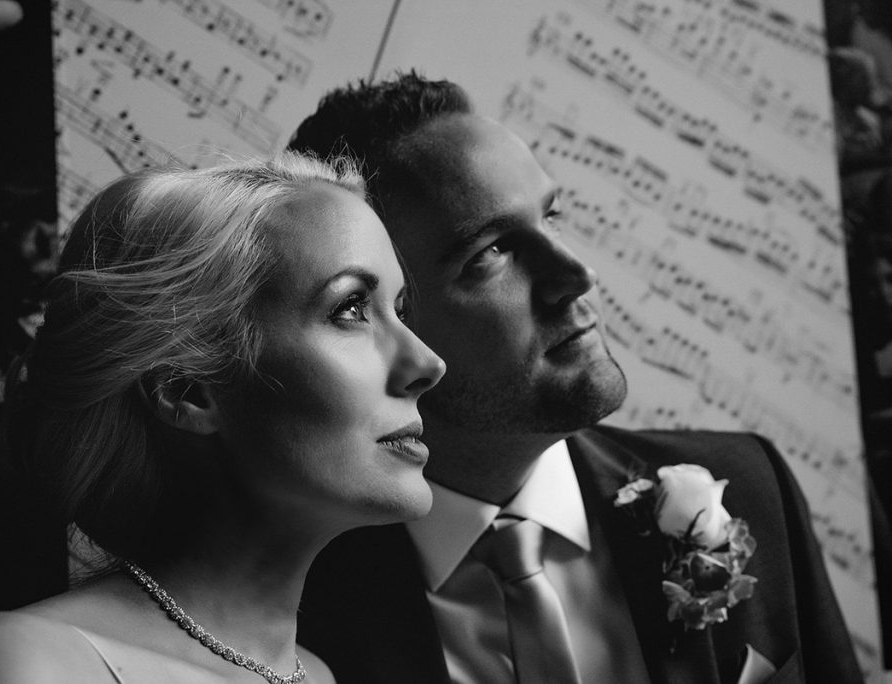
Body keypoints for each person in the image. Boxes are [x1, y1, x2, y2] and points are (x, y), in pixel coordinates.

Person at [288, 71, 866, 683]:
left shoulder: (751, 488)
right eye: (490, 253)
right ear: (383, 322)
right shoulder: (298, 612)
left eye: (552, 215)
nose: (577, 274)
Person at [0, 151, 446, 684]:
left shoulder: (324, 676)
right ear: (187, 390)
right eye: (350, 309)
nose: (427, 364)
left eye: (399, 311)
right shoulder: (25, 666)